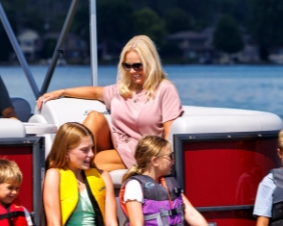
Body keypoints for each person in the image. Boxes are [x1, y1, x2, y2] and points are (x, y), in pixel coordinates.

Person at [36, 35, 183, 170]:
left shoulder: (165, 90)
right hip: (116, 142)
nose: (132, 71)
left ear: (150, 63)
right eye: (127, 66)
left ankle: (56, 176)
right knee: (94, 117)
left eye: (137, 66)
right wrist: (61, 92)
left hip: (142, 151)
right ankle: (55, 170)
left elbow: (170, 136)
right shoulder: (123, 88)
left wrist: (163, 164)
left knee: (91, 160)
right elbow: (95, 92)